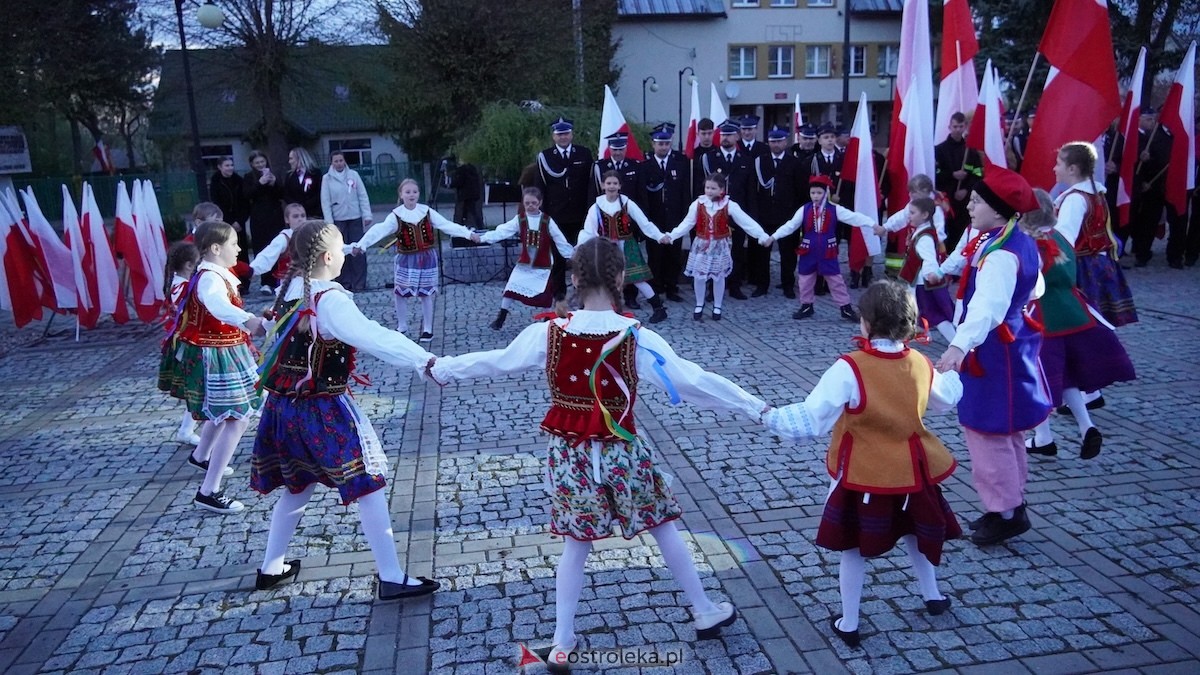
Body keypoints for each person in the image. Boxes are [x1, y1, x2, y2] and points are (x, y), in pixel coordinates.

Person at [428, 237, 766, 663]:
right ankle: (702, 610)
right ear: (621, 278)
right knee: (663, 526)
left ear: (573, 278)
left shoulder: (546, 334)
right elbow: (693, 382)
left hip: (570, 459)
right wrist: (757, 407)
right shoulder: (636, 337)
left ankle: (563, 641)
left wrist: (442, 367)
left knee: (575, 544)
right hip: (624, 454)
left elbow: (494, 360)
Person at [764, 280, 962, 648]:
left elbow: (814, 417)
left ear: (866, 324)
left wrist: (768, 415)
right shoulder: (919, 362)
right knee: (917, 534)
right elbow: (944, 401)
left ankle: (850, 621)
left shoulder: (849, 367)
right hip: (913, 471)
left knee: (853, 547)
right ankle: (932, 596)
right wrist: (953, 371)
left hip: (864, 474)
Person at [251, 220, 441, 600]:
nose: (344, 254)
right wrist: (424, 359)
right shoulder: (331, 300)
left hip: (284, 407)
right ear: (326, 257)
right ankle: (390, 575)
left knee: (298, 485)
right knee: (367, 483)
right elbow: (373, 336)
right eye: (340, 249)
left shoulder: (290, 289)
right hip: (323, 409)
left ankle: (272, 567)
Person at [933, 166, 1051, 547]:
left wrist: (957, 346)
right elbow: (1036, 288)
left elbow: (986, 307)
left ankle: (1006, 512)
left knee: (988, 431)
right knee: (1007, 429)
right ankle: (1009, 503)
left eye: (979, 200)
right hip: (1008, 345)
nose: (969, 203)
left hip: (993, 351)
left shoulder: (1002, 253)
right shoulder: (1010, 239)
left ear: (999, 211)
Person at [158, 221, 264, 514]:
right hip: (215, 353)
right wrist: (248, 319)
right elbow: (217, 306)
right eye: (234, 244)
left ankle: (201, 454)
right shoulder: (209, 279)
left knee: (225, 412)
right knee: (237, 416)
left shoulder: (215, 273)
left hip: (226, 349)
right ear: (216, 249)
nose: (239, 249)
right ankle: (209, 490)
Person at [1020, 190, 1136, 460]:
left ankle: (1044, 437)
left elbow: (1030, 285)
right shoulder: (1061, 236)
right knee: (1067, 375)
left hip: (1043, 317)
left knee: (1037, 376)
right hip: (1074, 311)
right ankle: (1087, 427)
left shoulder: (1030, 244)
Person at [347, 179, 479, 341]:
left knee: (426, 293)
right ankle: (402, 326)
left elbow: (446, 225)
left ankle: (428, 329)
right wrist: (362, 245)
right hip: (405, 259)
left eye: (415, 192)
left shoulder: (426, 211)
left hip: (426, 258)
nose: (411, 195)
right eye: (407, 192)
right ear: (401, 195)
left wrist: (467, 233)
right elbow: (378, 230)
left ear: (419, 194)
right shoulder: (396, 215)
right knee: (400, 293)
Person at [766, 175, 878, 322]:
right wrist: (773, 237)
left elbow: (853, 217)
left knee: (835, 279)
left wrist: (872, 224)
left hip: (827, 249)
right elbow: (791, 225)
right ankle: (806, 305)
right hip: (809, 248)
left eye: (819, 193)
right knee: (805, 279)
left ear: (825, 193)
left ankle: (845, 307)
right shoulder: (804, 209)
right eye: (813, 193)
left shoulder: (834, 209)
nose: (815, 196)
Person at [1052, 141, 1138, 329]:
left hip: (1083, 268)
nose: (1054, 168)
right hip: (1100, 263)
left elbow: (1064, 239)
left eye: (1058, 163)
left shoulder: (1075, 199)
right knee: (1096, 322)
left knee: (1082, 322)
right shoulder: (1095, 193)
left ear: (1072, 169)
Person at [663, 173, 770, 321]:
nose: (709, 191)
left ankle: (717, 305)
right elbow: (687, 223)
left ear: (721, 189)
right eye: (707, 187)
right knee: (699, 276)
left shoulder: (729, 204)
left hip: (719, 245)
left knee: (718, 277)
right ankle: (699, 304)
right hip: (702, 244)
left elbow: (746, 222)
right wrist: (672, 235)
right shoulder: (698, 204)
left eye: (713, 188)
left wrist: (761, 235)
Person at [477, 187, 574, 330]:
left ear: (540, 203)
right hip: (525, 263)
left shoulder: (547, 221)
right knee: (510, 288)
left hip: (543, 264)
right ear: (523, 202)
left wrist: (572, 254)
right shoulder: (520, 219)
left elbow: (560, 240)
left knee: (545, 293)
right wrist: (483, 238)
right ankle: (501, 316)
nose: (530, 206)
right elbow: (503, 231)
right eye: (527, 203)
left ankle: (546, 319)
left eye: (534, 203)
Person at [580, 171, 669, 323]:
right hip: (606, 248)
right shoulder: (596, 207)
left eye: (615, 183)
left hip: (627, 246)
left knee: (637, 279)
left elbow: (644, 222)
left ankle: (658, 308)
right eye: (608, 183)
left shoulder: (627, 203)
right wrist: (581, 248)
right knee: (605, 279)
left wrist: (659, 236)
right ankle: (603, 311)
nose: (612, 186)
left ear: (620, 185)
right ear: (602, 185)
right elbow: (589, 230)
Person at [534, 118, 594, 301]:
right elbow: (540, 188)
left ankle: (585, 294)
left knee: (583, 258)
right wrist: (542, 216)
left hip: (580, 215)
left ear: (572, 134)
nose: (563, 137)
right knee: (558, 261)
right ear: (553, 136)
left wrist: (590, 211)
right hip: (556, 217)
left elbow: (590, 184)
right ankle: (559, 295)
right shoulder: (545, 157)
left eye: (566, 133)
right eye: (559, 134)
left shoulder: (584, 154)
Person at [700, 121, 754, 299]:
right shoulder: (710, 158)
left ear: (737, 137)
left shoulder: (745, 159)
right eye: (723, 135)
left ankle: (734, 285)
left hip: (736, 214)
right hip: (714, 213)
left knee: (736, 250)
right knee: (712, 251)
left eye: (730, 135)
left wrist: (750, 215)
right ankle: (711, 288)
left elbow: (750, 190)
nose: (725, 138)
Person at [750, 125, 805, 298]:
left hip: (787, 216)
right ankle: (762, 285)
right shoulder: (760, 161)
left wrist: (797, 217)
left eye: (779, 141)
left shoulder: (795, 163)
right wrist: (755, 214)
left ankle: (788, 285)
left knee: (788, 254)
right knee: (761, 255)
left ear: (786, 141)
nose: (776, 144)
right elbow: (753, 190)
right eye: (773, 141)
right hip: (764, 215)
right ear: (768, 142)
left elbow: (800, 192)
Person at [637, 123, 690, 303]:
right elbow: (643, 197)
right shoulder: (645, 166)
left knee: (674, 256)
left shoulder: (680, 163)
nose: (663, 147)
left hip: (675, 218)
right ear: (653, 144)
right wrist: (645, 220)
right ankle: (656, 288)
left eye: (667, 144)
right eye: (660, 144)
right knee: (655, 256)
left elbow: (685, 193)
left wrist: (684, 217)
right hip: (655, 219)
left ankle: (672, 287)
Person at [892, 197, 956, 342]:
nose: (909, 215)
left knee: (934, 314)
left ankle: (955, 341)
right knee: (920, 308)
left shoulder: (924, 236)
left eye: (913, 212)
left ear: (925, 215)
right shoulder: (923, 231)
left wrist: (930, 274)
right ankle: (922, 333)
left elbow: (929, 259)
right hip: (919, 279)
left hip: (923, 281)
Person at [164, 241, 204, 447]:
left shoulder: (181, 284)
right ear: (189, 265)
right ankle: (188, 430)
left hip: (189, 341)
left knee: (199, 387)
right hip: (186, 343)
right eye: (198, 263)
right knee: (197, 387)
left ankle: (188, 429)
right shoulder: (182, 286)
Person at [321, 151, 374, 292]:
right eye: (336, 161)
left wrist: (366, 215)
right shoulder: (327, 179)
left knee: (358, 250)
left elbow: (363, 195)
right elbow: (325, 202)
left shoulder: (353, 175)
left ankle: (359, 283)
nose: (339, 163)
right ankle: (344, 282)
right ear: (331, 163)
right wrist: (329, 222)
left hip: (355, 217)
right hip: (338, 219)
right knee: (340, 251)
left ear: (345, 161)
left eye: (341, 160)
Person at [934, 112, 983, 250]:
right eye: (955, 126)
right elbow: (935, 175)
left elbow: (978, 175)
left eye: (960, 126)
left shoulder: (971, 151)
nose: (957, 129)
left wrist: (966, 190)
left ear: (965, 127)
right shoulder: (939, 150)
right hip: (945, 201)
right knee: (945, 233)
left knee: (963, 233)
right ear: (949, 127)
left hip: (965, 201)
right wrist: (952, 175)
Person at [1129, 107, 1170, 267]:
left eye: (1153, 119)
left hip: (1154, 185)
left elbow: (1160, 160)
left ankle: (1143, 252)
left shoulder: (1160, 137)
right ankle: (1137, 247)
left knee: (1149, 222)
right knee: (1135, 221)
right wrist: (1141, 181)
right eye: (1148, 119)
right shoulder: (1134, 136)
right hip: (1138, 185)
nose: (1152, 122)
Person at [243, 150, 285, 293]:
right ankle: (265, 282)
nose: (260, 165)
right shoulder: (248, 177)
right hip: (259, 217)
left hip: (275, 216)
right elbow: (247, 195)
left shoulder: (274, 174)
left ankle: (279, 279)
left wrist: (274, 183)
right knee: (262, 248)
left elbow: (281, 194)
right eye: (257, 163)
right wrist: (260, 184)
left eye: (262, 162)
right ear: (252, 164)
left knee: (278, 247)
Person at [250, 203, 306, 293]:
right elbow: (268, 255)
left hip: (308, 282)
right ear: (287, 219)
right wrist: (252, 270)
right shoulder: (284, 238)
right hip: (289, 284)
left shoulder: (310, 235)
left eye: (303, 216)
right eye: (295, 216)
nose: (300, 219)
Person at [209, 157, 249, 274]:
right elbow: (217, 203)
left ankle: (245, 280)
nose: (230, 168)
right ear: (220, 167)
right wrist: (230, 221)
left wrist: (240, 221)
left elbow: (245, 203)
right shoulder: (215, 182)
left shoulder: (239, 181)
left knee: (242, 251)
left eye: (231, 165)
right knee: (227, 250)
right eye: (227, 165)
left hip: (239, 223)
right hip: (225, 222)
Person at [282, 147, 323, 223]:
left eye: (291, 159)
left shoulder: (315, 173)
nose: (289, 161)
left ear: (299, 158)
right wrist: (297, 205)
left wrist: (306, 204)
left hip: (314, 213)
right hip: (296, 215)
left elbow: (319, 192)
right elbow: (286, 194)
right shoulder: (289, 176)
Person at [444, 157, 485, 230]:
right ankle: (468, 226)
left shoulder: (462, 170)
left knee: (470, 211)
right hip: (472, 194)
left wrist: (451, 185)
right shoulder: (472, 169)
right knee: (468, 211)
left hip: (466, 195)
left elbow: (459, 181)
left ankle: (477, 227)